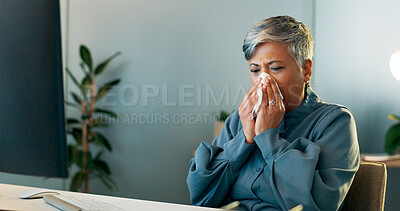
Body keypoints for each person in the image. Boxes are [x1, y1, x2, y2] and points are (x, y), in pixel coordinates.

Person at [186, 15, 360, 211]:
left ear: (306, 70)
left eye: (275, 68)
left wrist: (268, 138)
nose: (264, 81)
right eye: (255, 70)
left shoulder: (335, 122)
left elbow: (318, 205)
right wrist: (246, 139)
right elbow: (201, 197)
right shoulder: (240, 120)